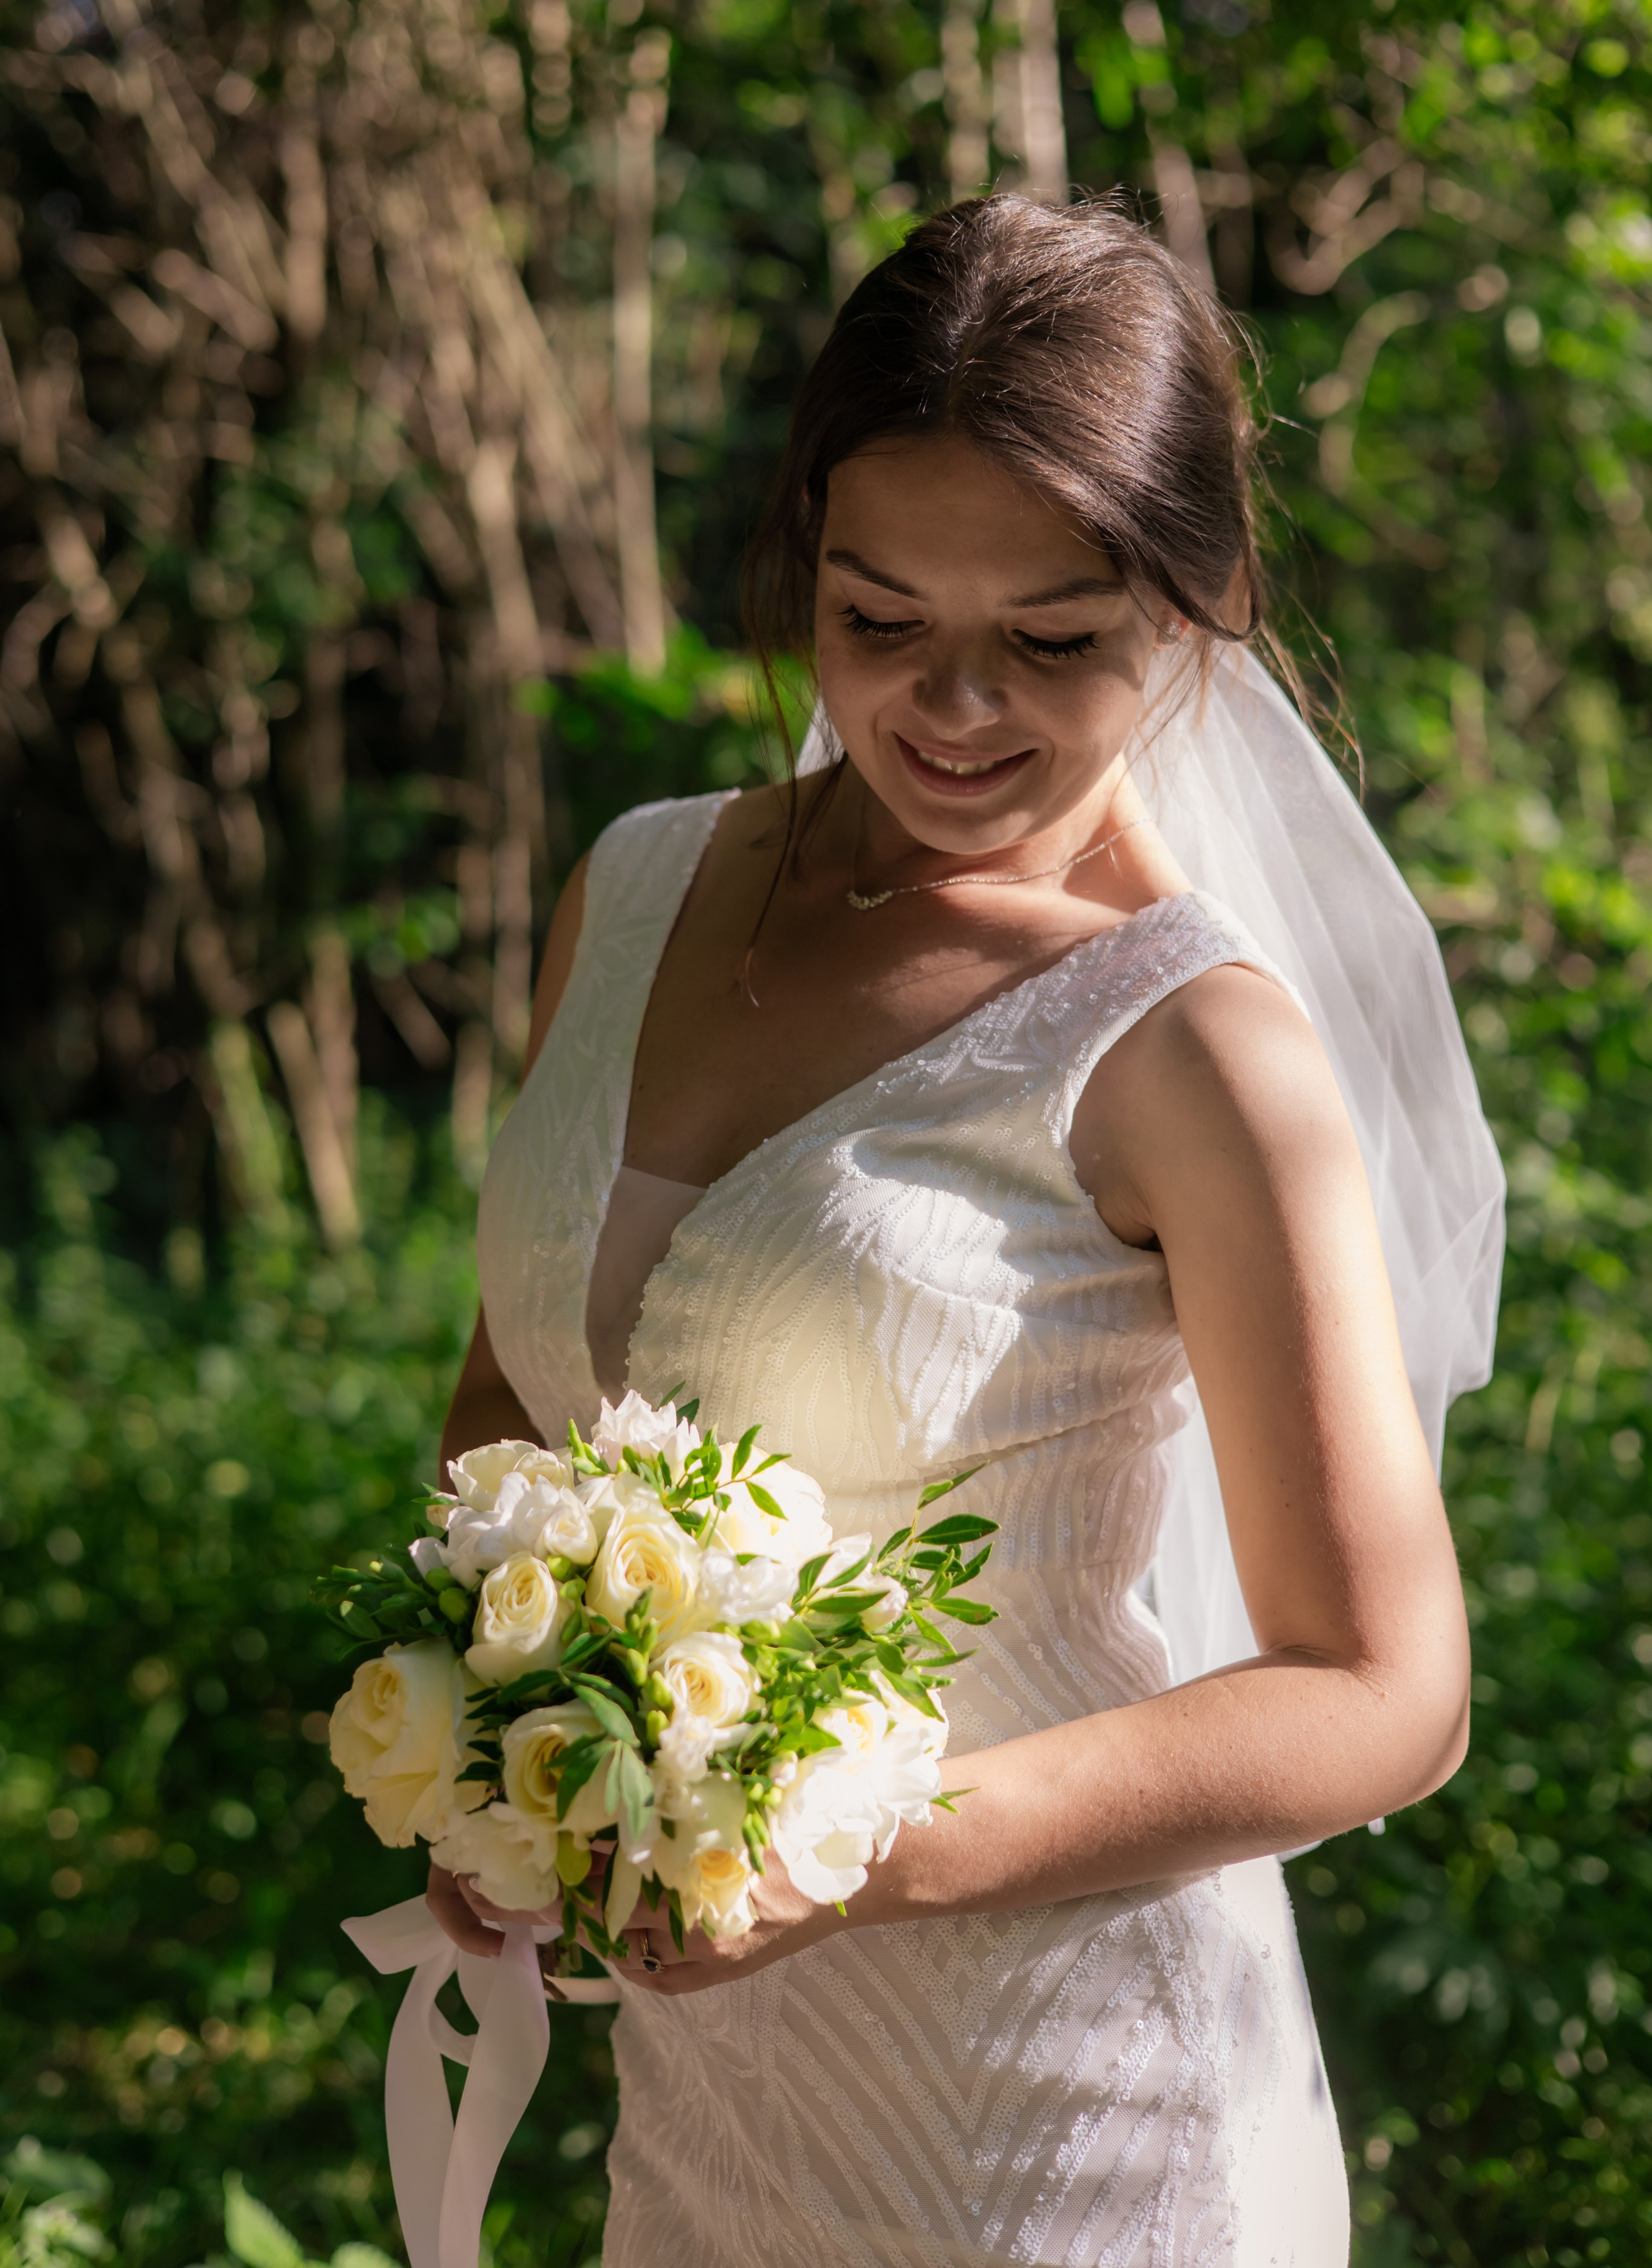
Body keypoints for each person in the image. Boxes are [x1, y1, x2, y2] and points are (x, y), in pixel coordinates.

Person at [427, 196, 1502, 2265]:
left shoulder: (1189, 1047)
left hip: (1072, 2124)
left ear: (1201, 606)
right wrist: (509, 1738)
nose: (951, 707)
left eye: (1053, 637)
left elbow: (1391, 1688)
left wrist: (861, 1857)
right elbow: (521, 1388)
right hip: (715, 2112)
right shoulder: (635, 892)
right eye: (878, 616)